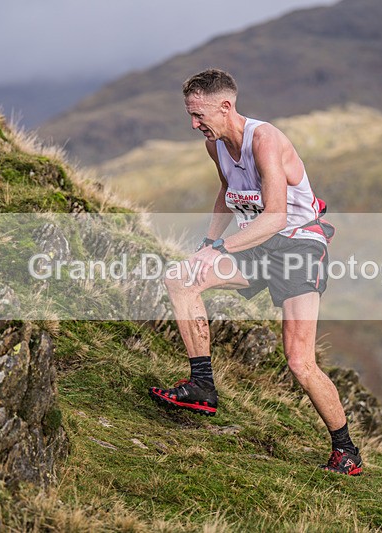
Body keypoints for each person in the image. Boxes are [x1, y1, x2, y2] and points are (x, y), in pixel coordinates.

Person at [148, 68, 362, 476]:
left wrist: (220, 249)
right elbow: (226, 195)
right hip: (258, 246)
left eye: (199, 115)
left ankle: (346, 450)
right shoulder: (215, 146)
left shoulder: (265, 140)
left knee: (299, 362)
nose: (194, 124)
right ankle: (202, 386)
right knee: (180, 279)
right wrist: (207, 245)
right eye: (190, 115)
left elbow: (276, 216)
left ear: (226, 106)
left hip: (299, 248)